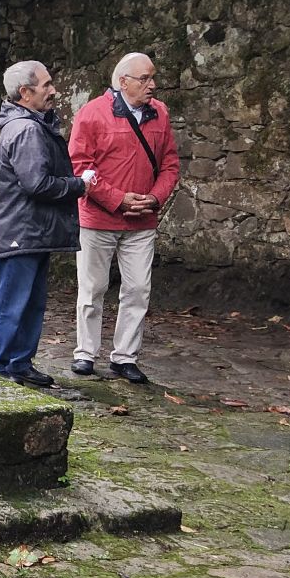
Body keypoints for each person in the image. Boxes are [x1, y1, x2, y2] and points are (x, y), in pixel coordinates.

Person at [0, 59, 96, 389]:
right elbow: (37, 184)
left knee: (29, 301)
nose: (53, 90)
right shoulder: (26, 129)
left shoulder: (29, 125)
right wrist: (78, 185)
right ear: (25, 92)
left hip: (30, 231)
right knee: (13, 302)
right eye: (46, 85)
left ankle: (17, 362)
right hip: (23, 231)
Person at [68, 51, 181, 385]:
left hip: (141, 221)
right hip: (97, 218)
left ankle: (125, 357)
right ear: (123, 81)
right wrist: (118, 200)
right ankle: (85, 353)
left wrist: (155, 197)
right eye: (144, 78)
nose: (152, 85)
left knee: (138, 290)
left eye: (152, 78)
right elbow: (80, 168)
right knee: (92, 289)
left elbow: (170, 164)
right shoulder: (91, 115)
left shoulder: (160, 114)